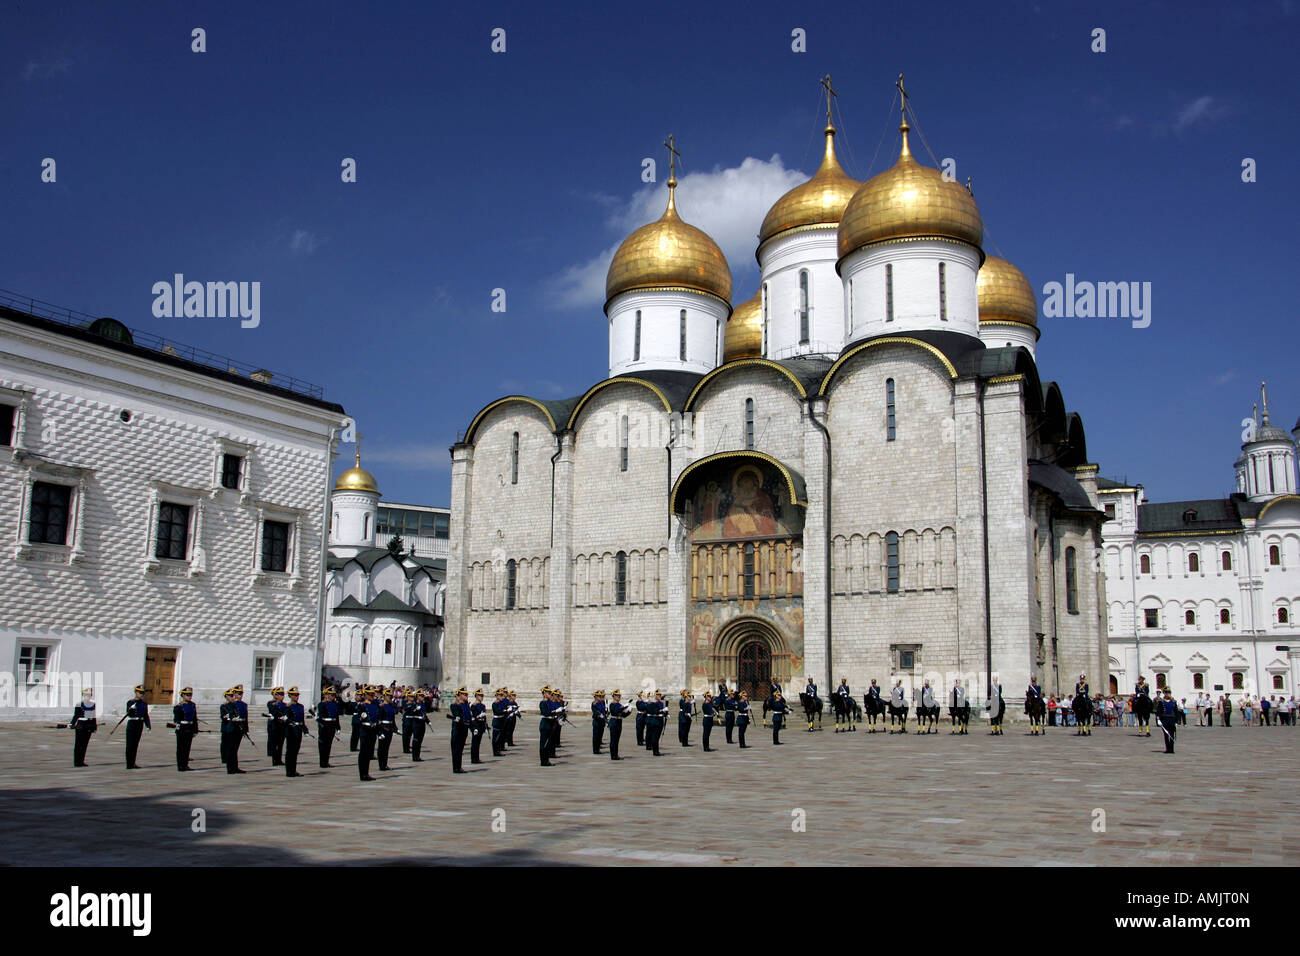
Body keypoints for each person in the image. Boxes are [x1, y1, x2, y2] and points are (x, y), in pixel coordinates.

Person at [123, 684, 151, 769]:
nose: (141, 694)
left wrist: (148, 725)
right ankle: (129, 764)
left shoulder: (144, 703)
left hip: (139, 723)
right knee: (130, 745)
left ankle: (133, 762)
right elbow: (128, 714)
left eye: (142, 693)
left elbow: (145, 715)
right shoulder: (130, 702)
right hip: (132, 723)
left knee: (135, 745)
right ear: (136, 692)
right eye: (139, 692)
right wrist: (131, 708)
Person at [357, 687, 380, 781]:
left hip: (373, 730)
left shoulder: (376, 704)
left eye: (373, 694)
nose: (372, 696)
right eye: (370, 694)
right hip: (365, 730)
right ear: (365, 695)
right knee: (363, 752)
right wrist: (361, 716)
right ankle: (362, 774)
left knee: (369, 752)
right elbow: (358, 719)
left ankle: (366, 773)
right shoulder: (362, 706)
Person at [173, 686, 198, 771]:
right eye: (187, 695)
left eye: (190, 695)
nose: (189, 696)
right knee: (181, 748)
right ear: (183, 695)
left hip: (190, 727)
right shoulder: (178, 707)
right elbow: (176, 719)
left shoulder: (193, 705)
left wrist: (195, 730)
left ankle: (185, 764)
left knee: (187, 747)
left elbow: (195, 718)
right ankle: (180, 765)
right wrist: (178, 726)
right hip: (182, 728)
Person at [70, 687, 97, 767]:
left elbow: (93, 716)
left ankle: (81, 760)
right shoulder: (79, 704)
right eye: (86, 695)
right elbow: (76, 715)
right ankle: (77, 761)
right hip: (80, 724)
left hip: (88, 725)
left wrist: (94, 727)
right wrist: (72, 723)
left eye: (89, 695)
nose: (87, 697)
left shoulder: (92, 704)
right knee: (78, 744)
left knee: (85, 744)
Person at [283, 687, 306, 777]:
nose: (296, 697)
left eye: (297, 695)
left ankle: (293, 770)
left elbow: (302, 719)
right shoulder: (287, 707)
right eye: (294, 695)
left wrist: (305, 729)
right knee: (290, 751)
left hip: (298, 730)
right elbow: (285, 719)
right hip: (291, 730)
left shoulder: (301, 706)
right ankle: (289, 771)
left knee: (296, 751)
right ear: (290, 696)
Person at [315, 685, 340, 768]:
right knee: (323, 744)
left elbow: (336, 717)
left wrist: (338, 727)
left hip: (332, 725)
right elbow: (320, 717)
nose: (333, 696)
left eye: (334, 695)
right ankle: (322, 762)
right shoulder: (322, 704)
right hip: (324, 725)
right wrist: (322, 726)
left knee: (329, 744)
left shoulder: (335, 704)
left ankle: (326, 761)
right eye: (331, 695)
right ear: (326, 695)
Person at [227, 685, 250, 772]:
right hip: (233, 728)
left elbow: (246, 718)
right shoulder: (231, 704)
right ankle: (230, 768)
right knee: (231, 748)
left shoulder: (244, 705)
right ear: (234, 694)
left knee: (236, 748)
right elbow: (230, 715)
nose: (240, 695)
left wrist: (246, 730)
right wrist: (234, 718)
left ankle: (235, 767)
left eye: (241, 693)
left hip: (240, 728)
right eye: (238, 693)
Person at [264, 686, 288, 767]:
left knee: (281, 743)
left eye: (283, 694)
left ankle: (279, 759)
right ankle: (275, 760)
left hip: (282, 725)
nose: (282, 696)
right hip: (275, 725)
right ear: (276, 695)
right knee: (274, 743)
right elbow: (273, 711)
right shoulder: (271, 703)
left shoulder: (285, 705)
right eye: (280, 694)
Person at [449, 687, 471, 773]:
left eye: (466, 694)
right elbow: (456, 714)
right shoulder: (454, 705)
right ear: (459, 696)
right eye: (465, 694)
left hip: (464, 728)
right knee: (456, 749)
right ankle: (456, 767)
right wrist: (457, 717)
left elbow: (468, 717)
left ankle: (459, 766)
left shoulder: (466, 705)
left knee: (460, 749)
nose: (466, 696)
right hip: (457, 729)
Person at [377, 688, 399, 770]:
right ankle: (381, 765)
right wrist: (379, 732)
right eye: (389, 696)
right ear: (385, 696)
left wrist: (395, 728)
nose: (390, 698)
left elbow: (392, 720)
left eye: (391, 696)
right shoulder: (382, 707)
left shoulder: (391, 707)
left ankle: (385, 764)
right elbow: (378, 721)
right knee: (381, 747)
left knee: (386, 747)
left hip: (389, 728)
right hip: (383, 728)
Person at [607, 690, 628, 760]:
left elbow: (623, 715)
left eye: (619, 696)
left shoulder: (619, 705)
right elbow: (615, 711)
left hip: (619, 722)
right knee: (613, 739)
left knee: (617, 740)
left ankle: (616, 754)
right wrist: (622, 708)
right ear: (614, 697)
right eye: (617, 696)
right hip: (614, 722)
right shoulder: (612, 704)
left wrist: (628, 712)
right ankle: (613, 755)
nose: (619, 697)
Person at [645, 690, 667, 756]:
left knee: (656, 737)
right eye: (658, 695)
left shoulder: (660, 703)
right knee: (654, 736)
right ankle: (655, 751)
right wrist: (662, 711)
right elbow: (655, 711)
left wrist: (665, 714)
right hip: (655, 720)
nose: (659, 697)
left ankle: (655, 750)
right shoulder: (651, 704)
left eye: (660, 695)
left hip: (659, 720)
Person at [1156, 689, 1178, 754]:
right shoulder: (1161, 702)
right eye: (1166, 693)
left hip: (1172, 720)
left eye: (1169, 693)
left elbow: (1176, 712)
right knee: (1166, 735)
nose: (1168, 694)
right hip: (1165, 720)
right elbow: (1159, 711)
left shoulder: (1174, 702)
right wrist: (1159, 720)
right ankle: (1167, 749)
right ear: (1164, 694)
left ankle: (1172, 749)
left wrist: (1177, 721)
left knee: (1172, 735)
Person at [470, 689, 489, 764]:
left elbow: (484, 717)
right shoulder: (473, 706)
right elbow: (474, 716)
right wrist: (478, 716)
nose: (482, 697)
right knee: (474, 742)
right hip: (476, 725)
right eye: (480, 696)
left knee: (478, 742)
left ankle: (477, 758)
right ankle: (473, 758)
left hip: (481, 725)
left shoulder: (482, 705)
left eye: (482, 696)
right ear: (477, 696)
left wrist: (486, 725)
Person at [491, 688, 509, 757]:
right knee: (495, 738)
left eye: (502, 695)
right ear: (497, 696)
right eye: (500, 695)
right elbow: (497, 711)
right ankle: (495, 751)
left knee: (500, 737)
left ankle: (498, 750)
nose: (502, 697)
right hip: (497, 721)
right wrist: (504, 711)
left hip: (502, 721)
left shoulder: (502, 703)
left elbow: (505, 710)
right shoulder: (494, 704)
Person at [590, 689, 607, 755]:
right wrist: (599, 715)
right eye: (599, 696)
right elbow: (595, 711)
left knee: (600, 735)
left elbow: (604, 711)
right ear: (596, 697)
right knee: (596, 736)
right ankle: (595, 750)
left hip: (602, 721)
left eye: (601, 696)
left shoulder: (602, 703)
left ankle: (598, 747)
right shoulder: (594, 703)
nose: (601, 697)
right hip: (597, 721)